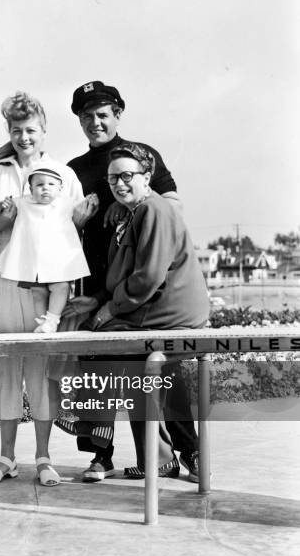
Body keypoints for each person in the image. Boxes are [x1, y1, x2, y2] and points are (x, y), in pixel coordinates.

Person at [62, 80, 200, 482]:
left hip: (144, 280)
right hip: (98, 277)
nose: (95, 122)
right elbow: (63, 225)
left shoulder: (141, 156)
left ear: (117, 115)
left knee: (161, 366)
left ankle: (186, 451)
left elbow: (171, 207)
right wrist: (81, 222)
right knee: (97, 364)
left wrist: (129, 217)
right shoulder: (75, 169)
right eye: (86, 116)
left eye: (102, 114)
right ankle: (99, 455)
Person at [0, 92, 91, 486]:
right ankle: (5, 457)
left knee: (40, 367)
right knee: (3, 364)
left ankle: (43, 456)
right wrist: (1, 219)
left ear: (44, 130)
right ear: (9, 131)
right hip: (4, 276)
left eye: (31, 129)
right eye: (16, 130)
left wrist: (85, 219)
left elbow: (72, 230)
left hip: (46, 281)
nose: (24, 137)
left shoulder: (63, 174)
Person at [0, 162, 96, 332]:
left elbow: (83, 207)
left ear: (60, 188)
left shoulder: (66, 203)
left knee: (61, 287)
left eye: (51, 184)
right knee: (38, 292)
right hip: (32, 257)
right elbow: (4, 205)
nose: (45, 188)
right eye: (39, 185)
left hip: (57, 257)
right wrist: (4, 205)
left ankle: (52, 320)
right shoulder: (22, 203)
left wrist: (90, 200)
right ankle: (42, 323)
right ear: (31, 189)